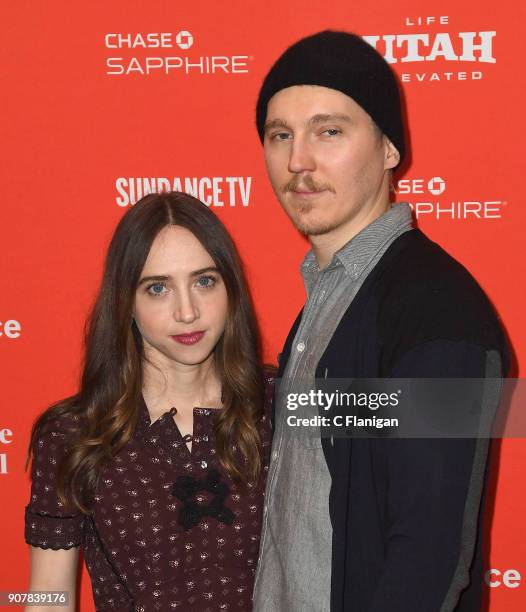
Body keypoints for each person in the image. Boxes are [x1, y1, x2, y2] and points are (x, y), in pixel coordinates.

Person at [251, 31, 509, 612]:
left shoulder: (436, 310)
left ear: (390, 148)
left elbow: (429, 557)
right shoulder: (323, 303)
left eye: (329, 131)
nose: (298, 161)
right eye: (280, 136)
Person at [25, 191, 273, 612]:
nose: (187, 311)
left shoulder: (280, 403)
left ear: (232, 288)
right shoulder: (72, 435)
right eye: (158, 288)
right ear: (127, 304)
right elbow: (49, 600)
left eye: (204, 281)